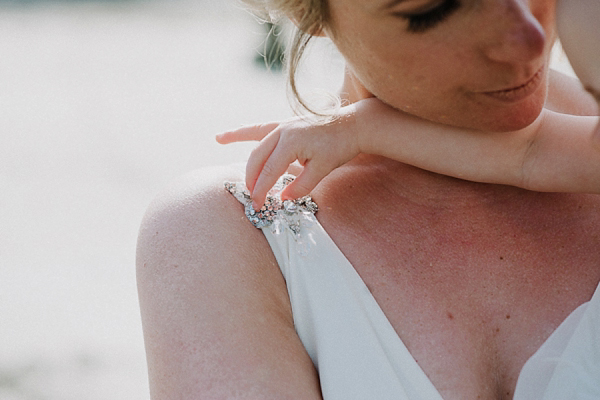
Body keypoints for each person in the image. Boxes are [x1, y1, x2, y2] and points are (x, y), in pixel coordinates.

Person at [136, 0, 600, 399]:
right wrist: (361, 128)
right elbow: (529, 154)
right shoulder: (223, 238)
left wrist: (361, 127)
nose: (531, 40)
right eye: (431, 10)